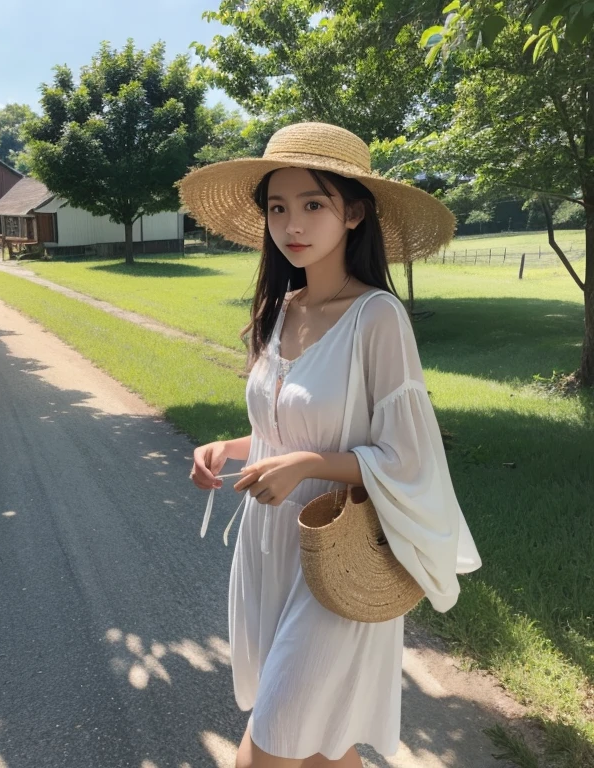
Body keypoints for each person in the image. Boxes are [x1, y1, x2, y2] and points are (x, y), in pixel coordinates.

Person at [178, 122, 482, 768]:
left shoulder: (377, 319)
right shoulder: (281, 308)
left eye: (313, 204)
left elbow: (410, 458)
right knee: (319, 748)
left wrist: (312, 466)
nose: (293, 223)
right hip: (272, 554)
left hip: (335, 562)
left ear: (353, 211)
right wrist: (228, 450)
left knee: (262, 755)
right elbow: (282, 429)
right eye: (279, 207)